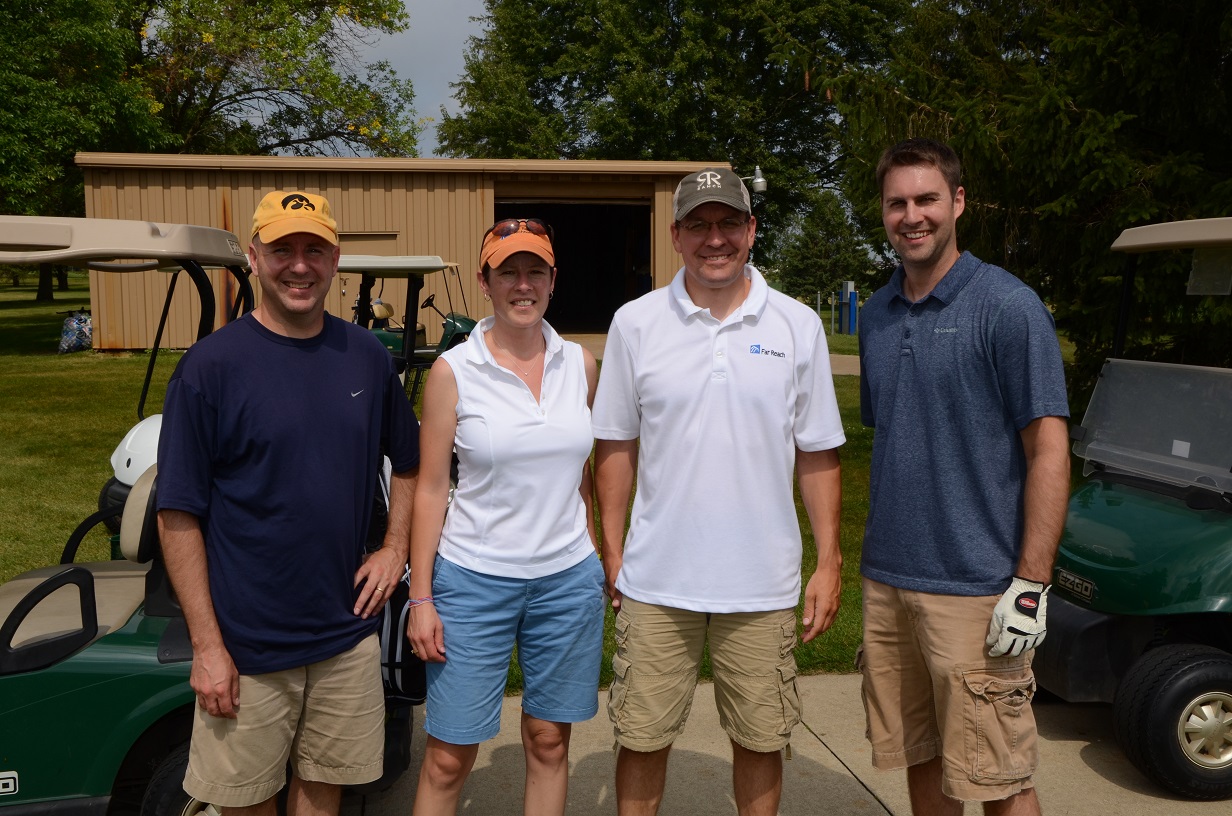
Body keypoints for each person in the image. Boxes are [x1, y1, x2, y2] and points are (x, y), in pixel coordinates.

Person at [157, 190, 420, 816]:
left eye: (314, 250)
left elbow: (410, 462)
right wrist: (207, 648)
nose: (299, 266)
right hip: (246, 645)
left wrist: (394, 549)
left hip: (344, 638)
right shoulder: (210, 368)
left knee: (322, 797)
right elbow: (177, 512)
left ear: (336, 261)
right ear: (253, 257)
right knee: (246, 804)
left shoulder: (366, 357)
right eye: (282, 250)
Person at [593, 167, 846, 816]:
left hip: (761, 582)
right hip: (656, 581)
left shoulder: (797, 325)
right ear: (675, 235)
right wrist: (612, 550)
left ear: (751, 230)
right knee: (641, 738)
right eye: (699, 225)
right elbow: (615, 447)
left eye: (729, 223)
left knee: (761, 740)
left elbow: (817, 450)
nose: (715, 239)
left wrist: (829, 561)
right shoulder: (636, 324)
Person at [857, 137, 1071, 816]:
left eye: (926, 199)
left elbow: (1049, 452)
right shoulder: (876, 315)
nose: (911, 215)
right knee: (921, 759)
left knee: (999, 778)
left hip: (977, 590)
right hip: (889, 580)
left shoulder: (1008, 307)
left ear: (957, 202)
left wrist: (1032, 583)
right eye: (897, 202)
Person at [407, 218, 605, 816]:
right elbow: (431, 488)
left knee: (548, 741)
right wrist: (421, 599)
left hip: (566, 583)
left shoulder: (581, 365)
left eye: (535, 271)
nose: (523, 284)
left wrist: (596, 555)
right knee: (448, 754)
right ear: (485, 281)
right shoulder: (453, 373)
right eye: (508, 271)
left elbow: (585, 473)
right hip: (472, 579)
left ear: (552, 279)